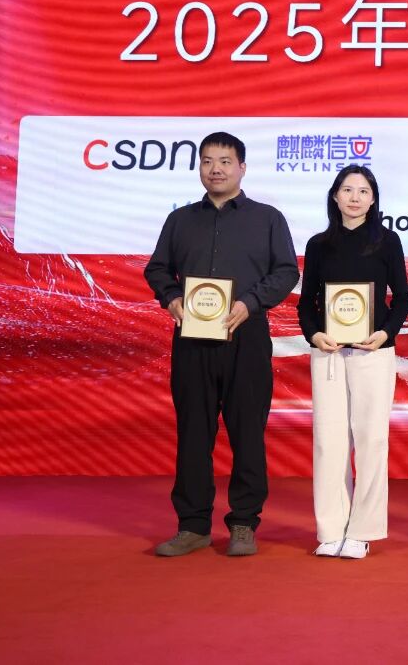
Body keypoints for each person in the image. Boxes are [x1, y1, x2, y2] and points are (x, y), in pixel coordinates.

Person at [144, 131, 298, 557]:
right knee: (194, 434)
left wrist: (250, 304)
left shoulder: (268, 218)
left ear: (242, 168)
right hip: (191, 340)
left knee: (247, 434)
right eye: (208, 161)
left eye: (225, 161)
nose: (216, 169)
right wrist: (171, 297)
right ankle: (192, 526)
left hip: (247, 339)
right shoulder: (180, 220)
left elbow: (286, 272)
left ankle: (244, 523)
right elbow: (157, 269)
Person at [298, 165, 408, 560]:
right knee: (328, 441)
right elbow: (306, 303)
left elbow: (403, 299)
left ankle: (362, 530)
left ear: (373, 198)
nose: (355, 197)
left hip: (373, 352)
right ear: (335, 195)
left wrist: (385, 333)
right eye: (347, 190)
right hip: (327, 353)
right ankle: (331, 529)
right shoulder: (318, 244)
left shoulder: (387, 241)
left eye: (363, 191)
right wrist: (315, 335)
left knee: (371, 439)